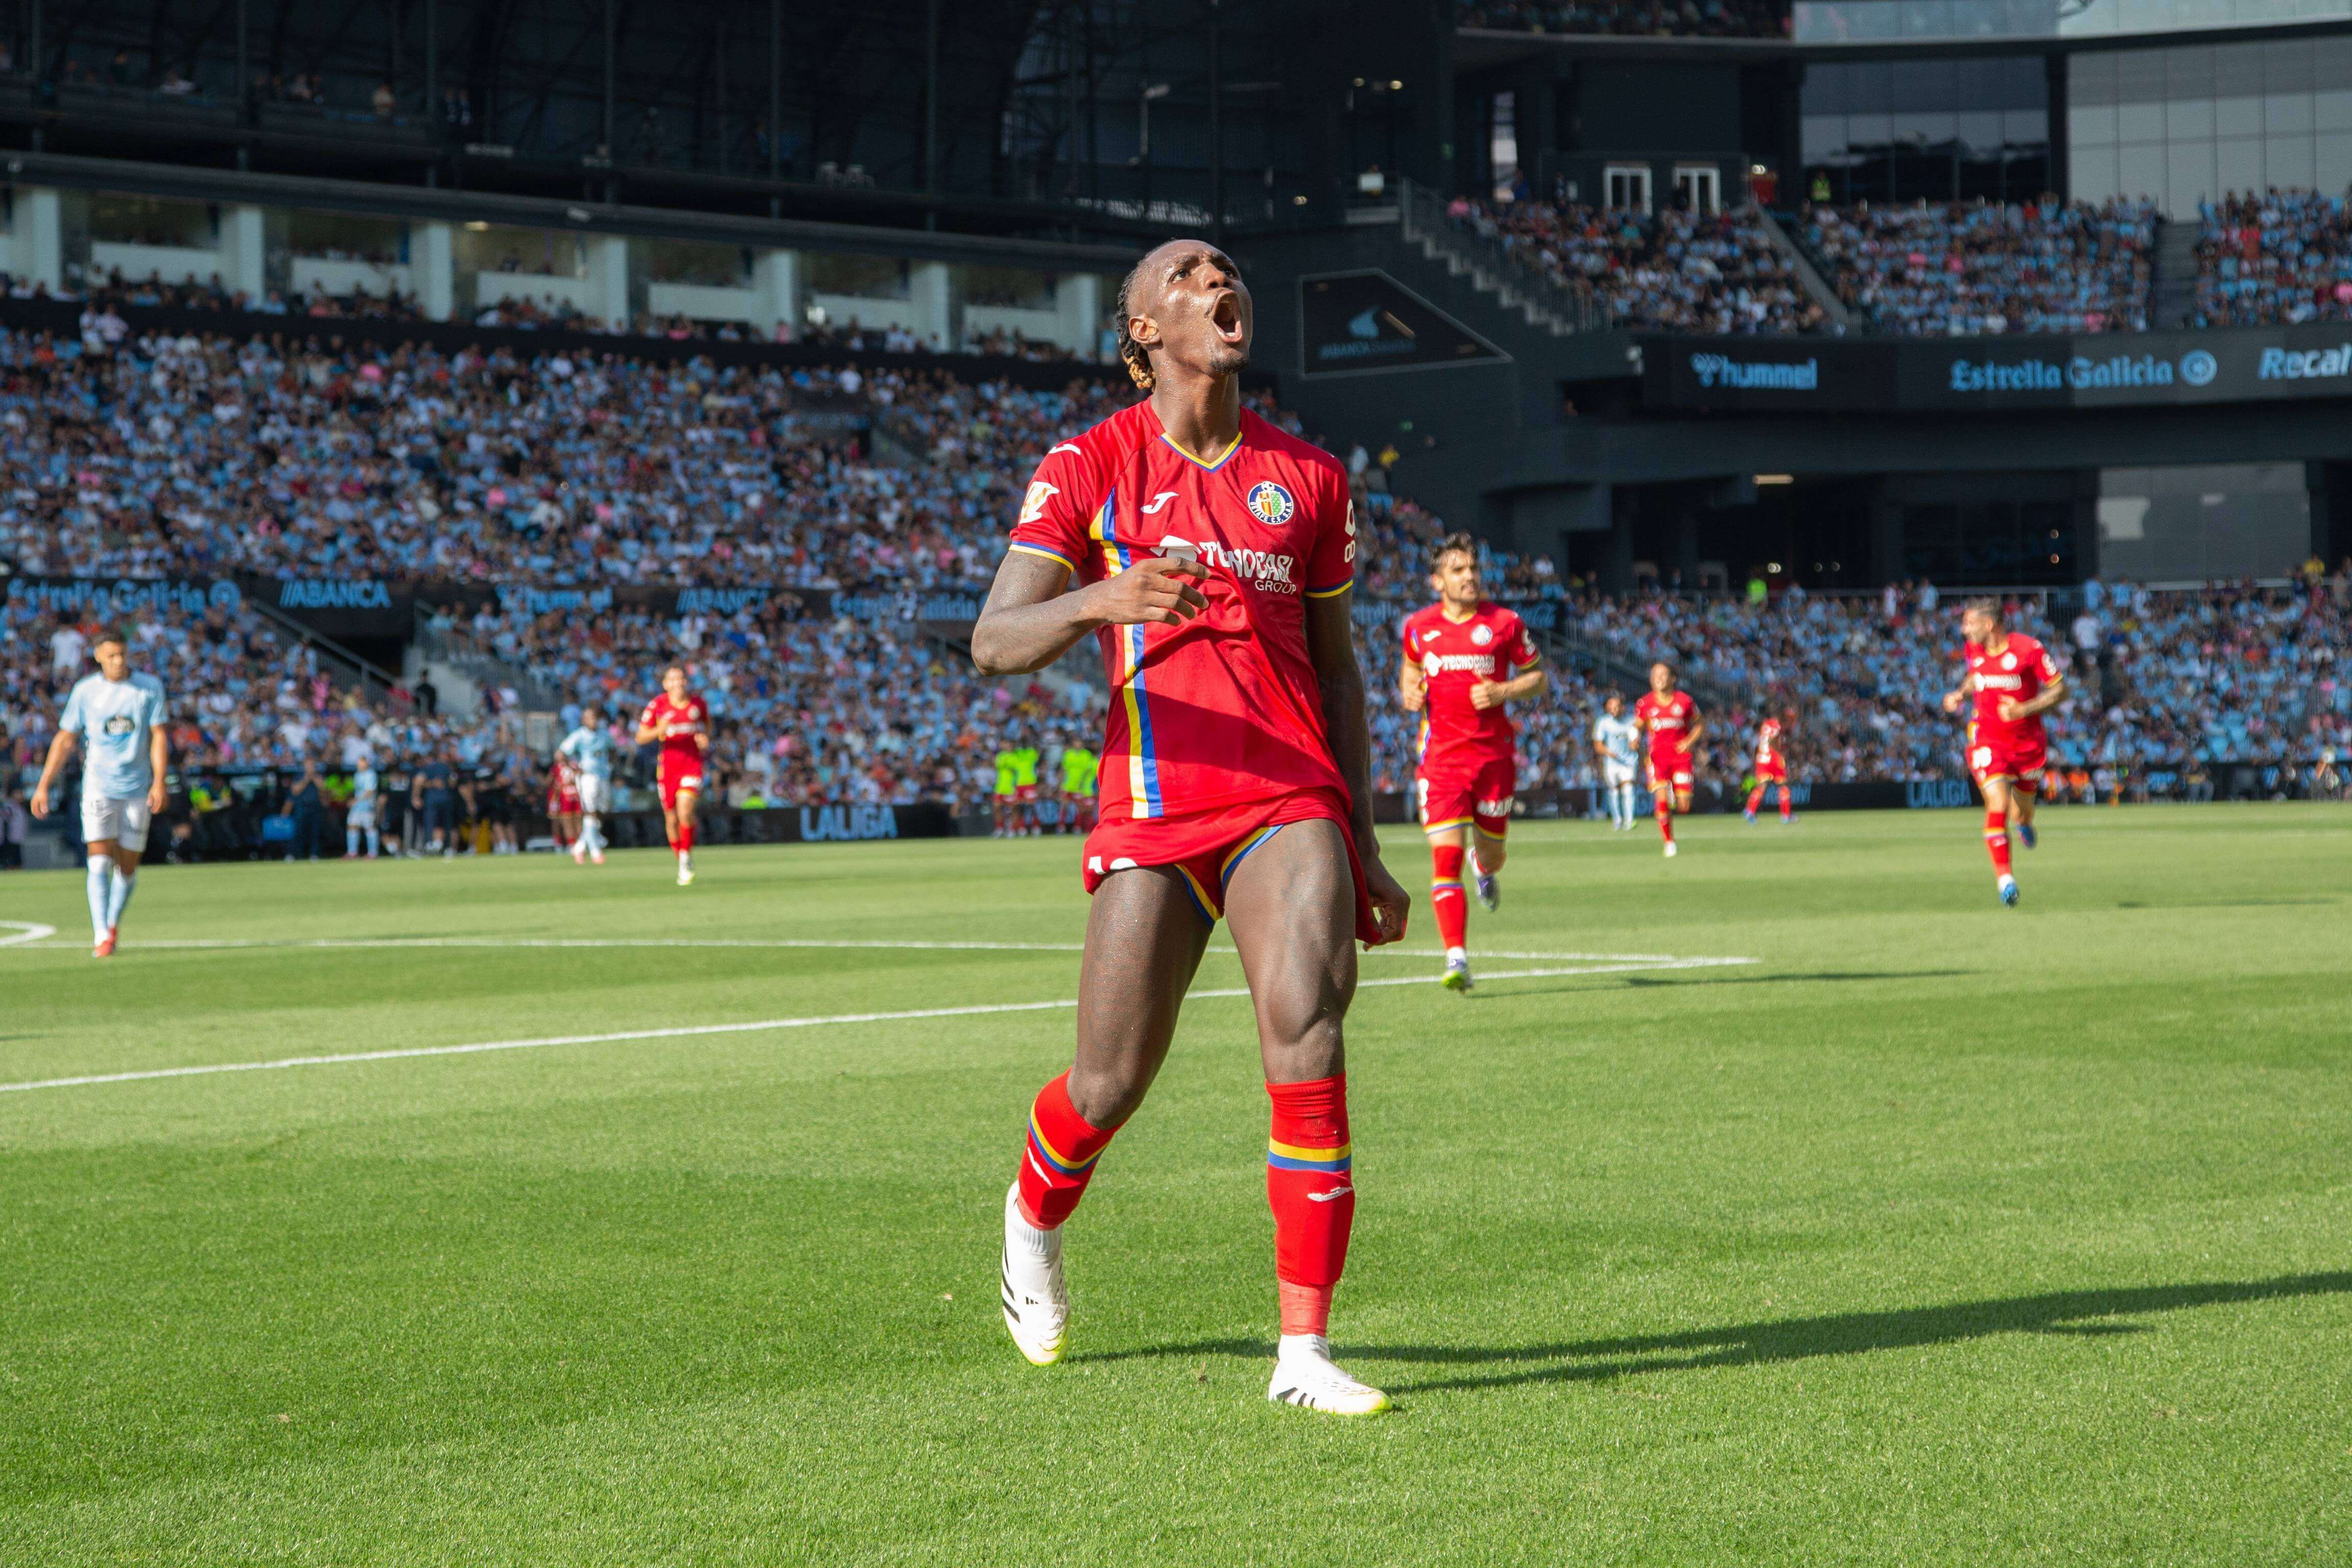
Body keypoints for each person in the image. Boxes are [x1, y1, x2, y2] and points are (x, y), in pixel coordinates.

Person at [973, 237, 1409, 1415]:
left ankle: (1303, 1351)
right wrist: (1101, 597)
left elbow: (1339, 669)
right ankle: (1032, 1213)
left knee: (1305, 1027)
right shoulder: (1088, 463)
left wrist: (1365, 838)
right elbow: (994, 640)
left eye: (1224, 269)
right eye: (1184, 275)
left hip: (1288, 793)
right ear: (1143, 330)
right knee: (1108, 1080)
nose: (1217, 281)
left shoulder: (1309, 476)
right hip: (1157, 801)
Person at [1397, 531, 1545, 992]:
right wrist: (1409, 690)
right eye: (1458, 570)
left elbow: (1538, 678)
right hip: (1441, 760)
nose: (1470, 576)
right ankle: (1456, 957)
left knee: (1492, 854)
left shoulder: (1505, 623)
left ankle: (1484, 868)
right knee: (1446, 857)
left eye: (1474, 568)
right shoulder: (1419, 626)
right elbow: (1411, 667)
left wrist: (1504, 690)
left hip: (1493, 758)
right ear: (1437, 580)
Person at [31, 629, 168, 957]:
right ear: (98, 656)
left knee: (128, 867)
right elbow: (65, 739)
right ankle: (101, 933)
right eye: (112, 655)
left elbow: (159, 735)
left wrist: (159, 781)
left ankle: (112, 921)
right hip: (99, 786)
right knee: (98, 859)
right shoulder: (86, 691)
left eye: (122, 654)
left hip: (136, 787)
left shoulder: (149, 687)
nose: (118, 661)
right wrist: (43, 784)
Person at [1942, 597, 2065, 907]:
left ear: (1988, 624)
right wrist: (1960, 693)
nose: (1964, 630)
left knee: (2020, 812)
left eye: (1969, 623)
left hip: (2027, 745)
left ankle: (2024, 823)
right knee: (1997, 802)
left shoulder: (2029, 649)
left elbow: (2061, 690)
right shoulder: (1974, 649)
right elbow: (1975, 676)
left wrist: (2024, 709)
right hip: (1987, 740)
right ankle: (2005, 880)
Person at [636, 665, 708, 885]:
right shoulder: (657, 705)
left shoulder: (698, 704)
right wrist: (659, 730)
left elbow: (707, 726)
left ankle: (686, 857)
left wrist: (704, 739)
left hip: (692, 765)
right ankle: (682, 861)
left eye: (682, 678)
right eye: (674, 679)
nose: (679, 682)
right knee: (672, 818)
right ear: (666, 684)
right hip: (668, 768)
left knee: (685, 810)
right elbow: (640, 737)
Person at [1634, 661, 1702, 857]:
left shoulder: (1685, 701)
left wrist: (1689, 741)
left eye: (1663, 674)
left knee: (1684, 807)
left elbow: (1699, 724)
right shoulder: (1645, 703)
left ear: (1673, 678)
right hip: (1657, 758)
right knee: (1661, 800)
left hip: (1681, 758)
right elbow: (1637, 726)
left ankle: (1672, 795)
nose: (1658, 678)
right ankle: (1669, 842)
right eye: (1655, 674)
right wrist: (1634, 738)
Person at [557, 704, 614, 864]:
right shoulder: (579, 736)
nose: (593, 721)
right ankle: (595, 851)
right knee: (590, 811)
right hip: (588, 776)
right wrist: (573, 768)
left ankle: (580, 847)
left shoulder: (604, 735)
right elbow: (561, 754)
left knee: (601, 811)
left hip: (603, 776)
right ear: (583, 720)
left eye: (595, 718)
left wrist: (610, 765)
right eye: (589, 718)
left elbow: (613, 749)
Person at [1592, 693, 1640, 832]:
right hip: (1612, 763)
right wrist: (1610, 753)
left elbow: (1636, 741)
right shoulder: (1603, 723)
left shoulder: (1632, 721)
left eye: (1616, 707)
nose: (1614, 710)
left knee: (1628, 789)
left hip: (1629, 761)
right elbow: (1598, 746)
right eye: (1611, 707)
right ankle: (1617, 820)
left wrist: (1635, 745)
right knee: (1613, 791)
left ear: (1623, 708)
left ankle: (1629, 821)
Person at [1744, 710, 1795, 824]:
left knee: (1762, 786)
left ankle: (1749, 811)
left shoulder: (1766, 724)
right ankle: (1786, 815)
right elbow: (1774, 741)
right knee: (1783, 786)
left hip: (1762, 759)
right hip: (1773, 759)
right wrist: (1780, 752)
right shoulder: (1778, 726)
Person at [414, 747, 459, 856]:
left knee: (430, 823)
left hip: (431, 800)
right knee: (447, 824)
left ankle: (429, 845)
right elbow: (453, 782)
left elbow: (419, 781)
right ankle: (448, 848)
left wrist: (416, 797)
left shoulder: (428, 767)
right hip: (445, 799)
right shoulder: (447, 767)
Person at [286, 761, 325, 861]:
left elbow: (324, 788)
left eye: (312, 765)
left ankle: (314, 854)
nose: (310, 767)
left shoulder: (318, 776)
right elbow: (295, 791)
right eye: (308, 765)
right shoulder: (299, 776)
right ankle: (293, 854)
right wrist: (307, 779)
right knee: (298, 831)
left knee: (315, 832)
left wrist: (314, 778)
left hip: (315, 807)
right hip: (302, 807)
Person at [1058, 740, 1098, 833]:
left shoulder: (1086, 755)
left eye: (1080, 744)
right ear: (1073, 744)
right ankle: (1061, 827)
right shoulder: (1068, 755)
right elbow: (1064, 770)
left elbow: (1088, 771)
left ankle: (1077, 827)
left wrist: (1082, 782)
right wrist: (1061, 783)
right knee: (1064, 806)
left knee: (1080, 808)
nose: (1078, 745)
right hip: (1068, 786)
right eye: (1076, 743)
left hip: (1079, 787)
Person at [346, 755, 382, 859]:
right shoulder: (357, 774)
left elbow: (370, 791)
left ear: (366, 763)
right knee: (352, 826)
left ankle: (373, 853)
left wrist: (356, 800)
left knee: (370, 828)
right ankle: (352, 853)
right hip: (357, 807)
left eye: (362, 762)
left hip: (367, 806)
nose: (360, 764)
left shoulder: (371, 774)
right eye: (359, 762)